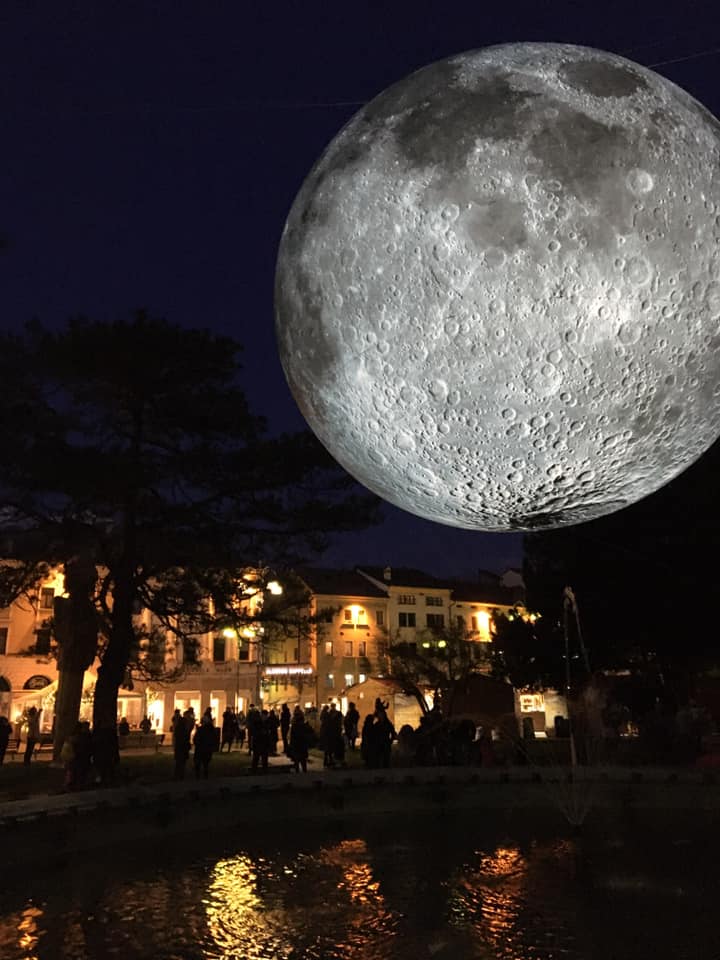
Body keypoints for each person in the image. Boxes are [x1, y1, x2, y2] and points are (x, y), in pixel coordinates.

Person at [288, 706, 313, 773]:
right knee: (302, 759)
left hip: (297, 744)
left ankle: (298, 771)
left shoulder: (295, 725)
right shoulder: (303, 726)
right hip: (302, 744)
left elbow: (292, 736)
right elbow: (309, 732)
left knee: (297, 759)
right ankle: (303, 771)